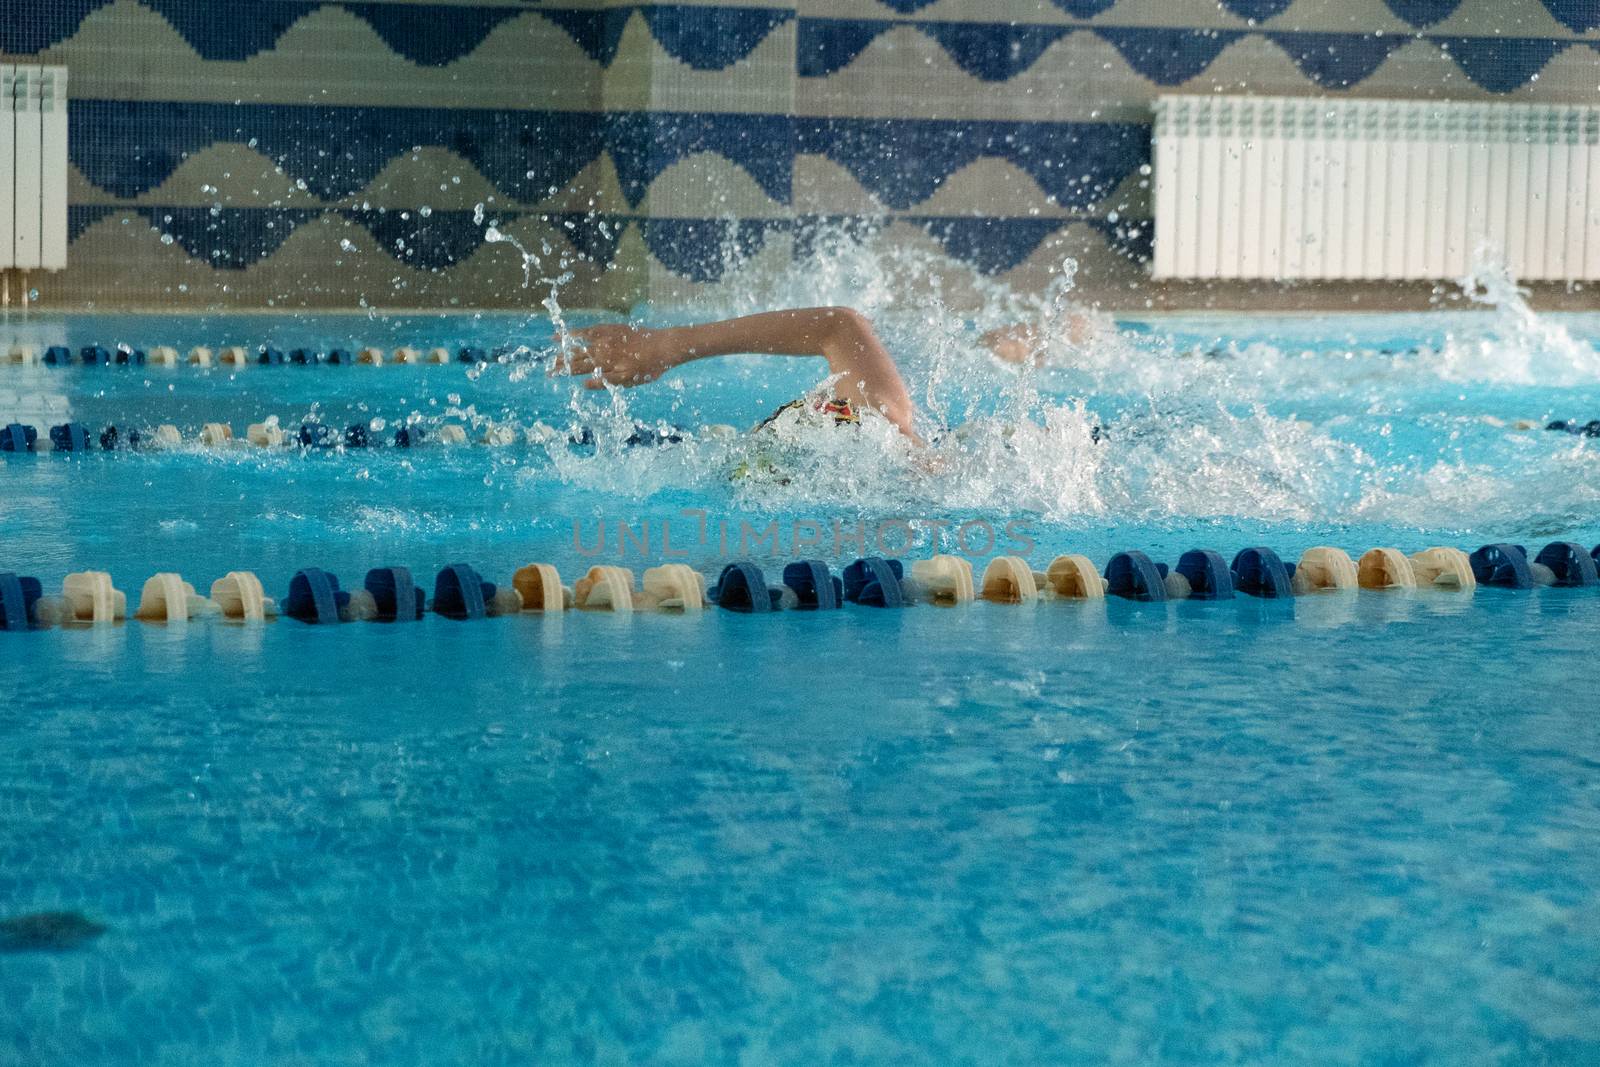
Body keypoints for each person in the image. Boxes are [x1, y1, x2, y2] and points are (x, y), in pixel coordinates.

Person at [559, 306, 1100, 445]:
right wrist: (667, 346)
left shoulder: (881, 422)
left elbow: (838, 324)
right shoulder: (884, 422)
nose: (828, 405)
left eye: (827, 408)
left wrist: (668, 345)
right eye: (831, 408)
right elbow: (839, 325)